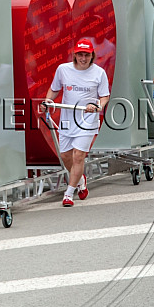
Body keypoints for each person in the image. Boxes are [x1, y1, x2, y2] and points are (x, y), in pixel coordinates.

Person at [40, 39, 110, 206]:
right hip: (67, 121)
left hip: (87, 120)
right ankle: (80, 179)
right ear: (75, 54)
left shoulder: (99, 73)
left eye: (86, 55)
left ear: (92, 55)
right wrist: (47, 101)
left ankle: (68, 194)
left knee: (78, 156)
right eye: (80, 54)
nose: (83, 58)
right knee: (65, 156)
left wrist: (97, 106)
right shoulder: (63, 70)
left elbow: (105, 96)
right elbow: (54, 89)